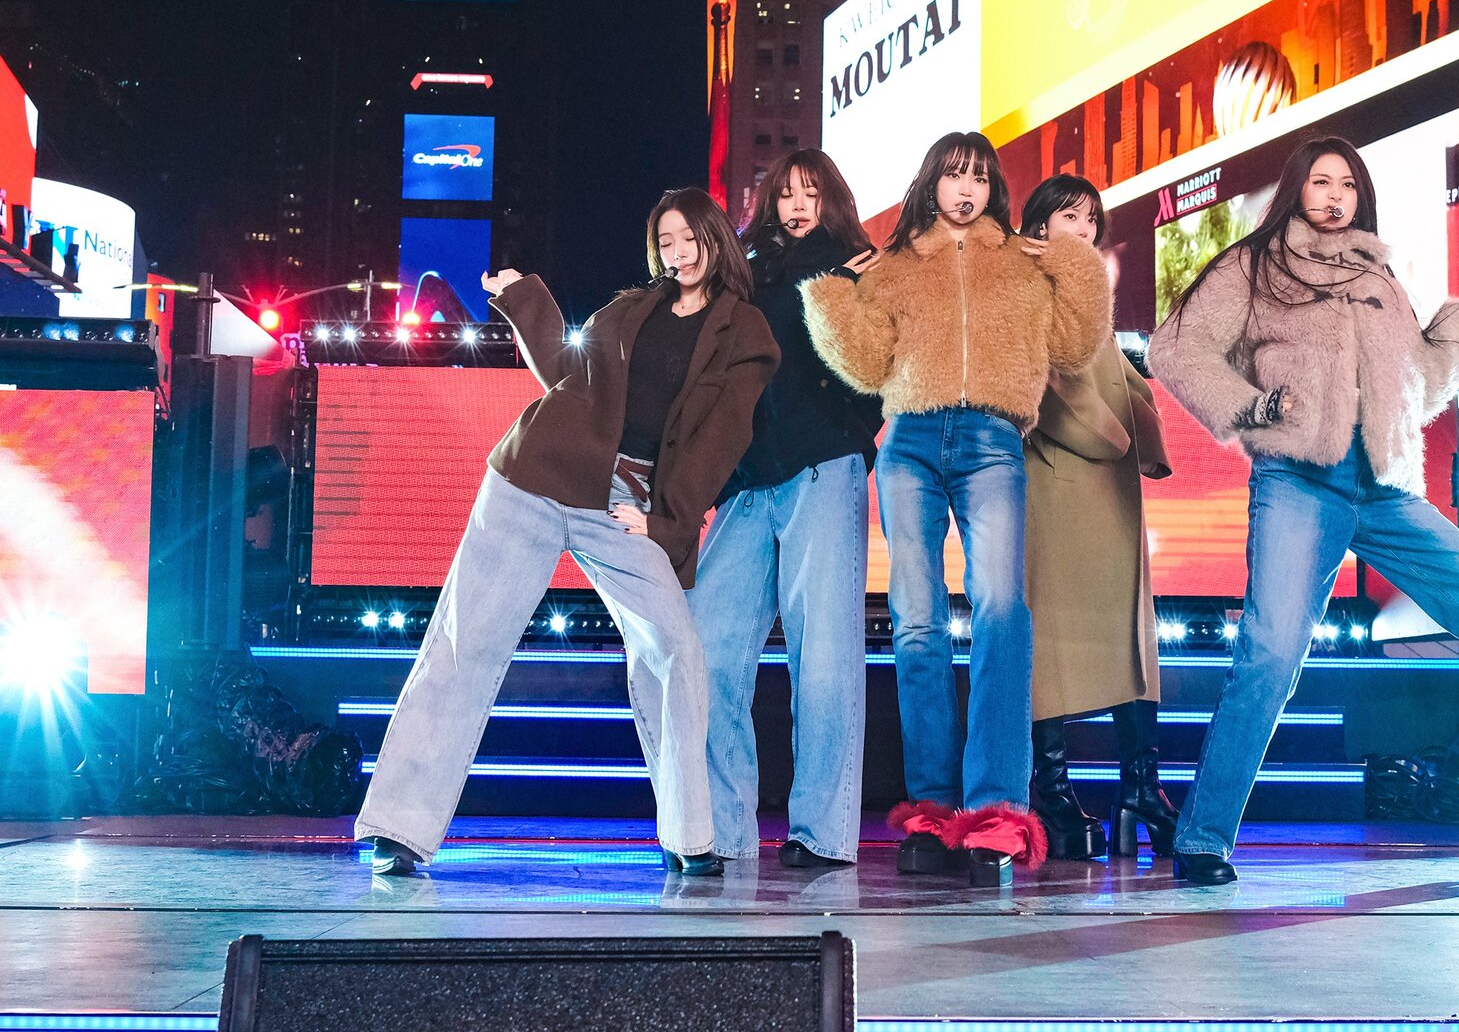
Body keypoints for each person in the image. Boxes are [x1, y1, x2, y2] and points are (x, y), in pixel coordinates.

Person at [1148, 136, 1459, 888]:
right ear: (1297, 189)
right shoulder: (1255, 266)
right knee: (1270, 653)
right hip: (1298, 480)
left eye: (1347, 184)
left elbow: (1415, 387)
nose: (1335, 195)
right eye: (1321, 182)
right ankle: (1204, 836)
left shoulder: (1379, 278)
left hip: (1384, 485)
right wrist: (1251, 407)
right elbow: (1176, 351)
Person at [355, 189, 779, 878]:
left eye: (689, 237)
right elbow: (563, 371)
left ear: (715, 239)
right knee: (466, 640)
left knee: (676, 649)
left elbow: (720, 440)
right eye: (665, 241)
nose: (678, 253)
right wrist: (525, 298)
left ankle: (689, 835)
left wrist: (667, 521)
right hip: (534, 475)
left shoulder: (746, 333)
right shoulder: (628, 310)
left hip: (623, 503)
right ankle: (398, 828)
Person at [800, 131, 1112, 886]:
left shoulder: (1023, 261)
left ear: (994, 187)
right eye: (952, 175)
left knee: (1002, 610)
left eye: (978, 177)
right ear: (931, 184)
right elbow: (866, 366)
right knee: (917, 622)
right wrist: (832, 293)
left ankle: (998, 811)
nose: (965, 190)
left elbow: (1076, 345)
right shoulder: (896, 264)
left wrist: (1069, 259)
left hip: (992, 439)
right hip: (908, 441)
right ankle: (934, 811)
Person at [688, 150, 885, 870]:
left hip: (823, 467)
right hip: (747, 479)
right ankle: (721, 831)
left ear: (833, 201)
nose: (797, 206)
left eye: (811, 193)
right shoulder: (741, 275)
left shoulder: (857, 266)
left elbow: (879, 366)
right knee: (705, 649)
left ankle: (823, 834)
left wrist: (853, 433)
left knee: (824, 654)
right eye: (785, 195)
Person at [1015, 174, 1178, 862]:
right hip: (1059, 484)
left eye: (1090, 219)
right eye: (1068, 216)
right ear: (1038, 224)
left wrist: (1146, 431)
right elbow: (1045, 384)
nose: (1082, 229)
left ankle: (1141, 785)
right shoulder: (1026, 282)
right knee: (1054, 641)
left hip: (1108, 490)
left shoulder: (1084, 285)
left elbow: (1119, 373)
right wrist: (1118, 439)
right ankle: (1051, 792)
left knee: (1130, 640)